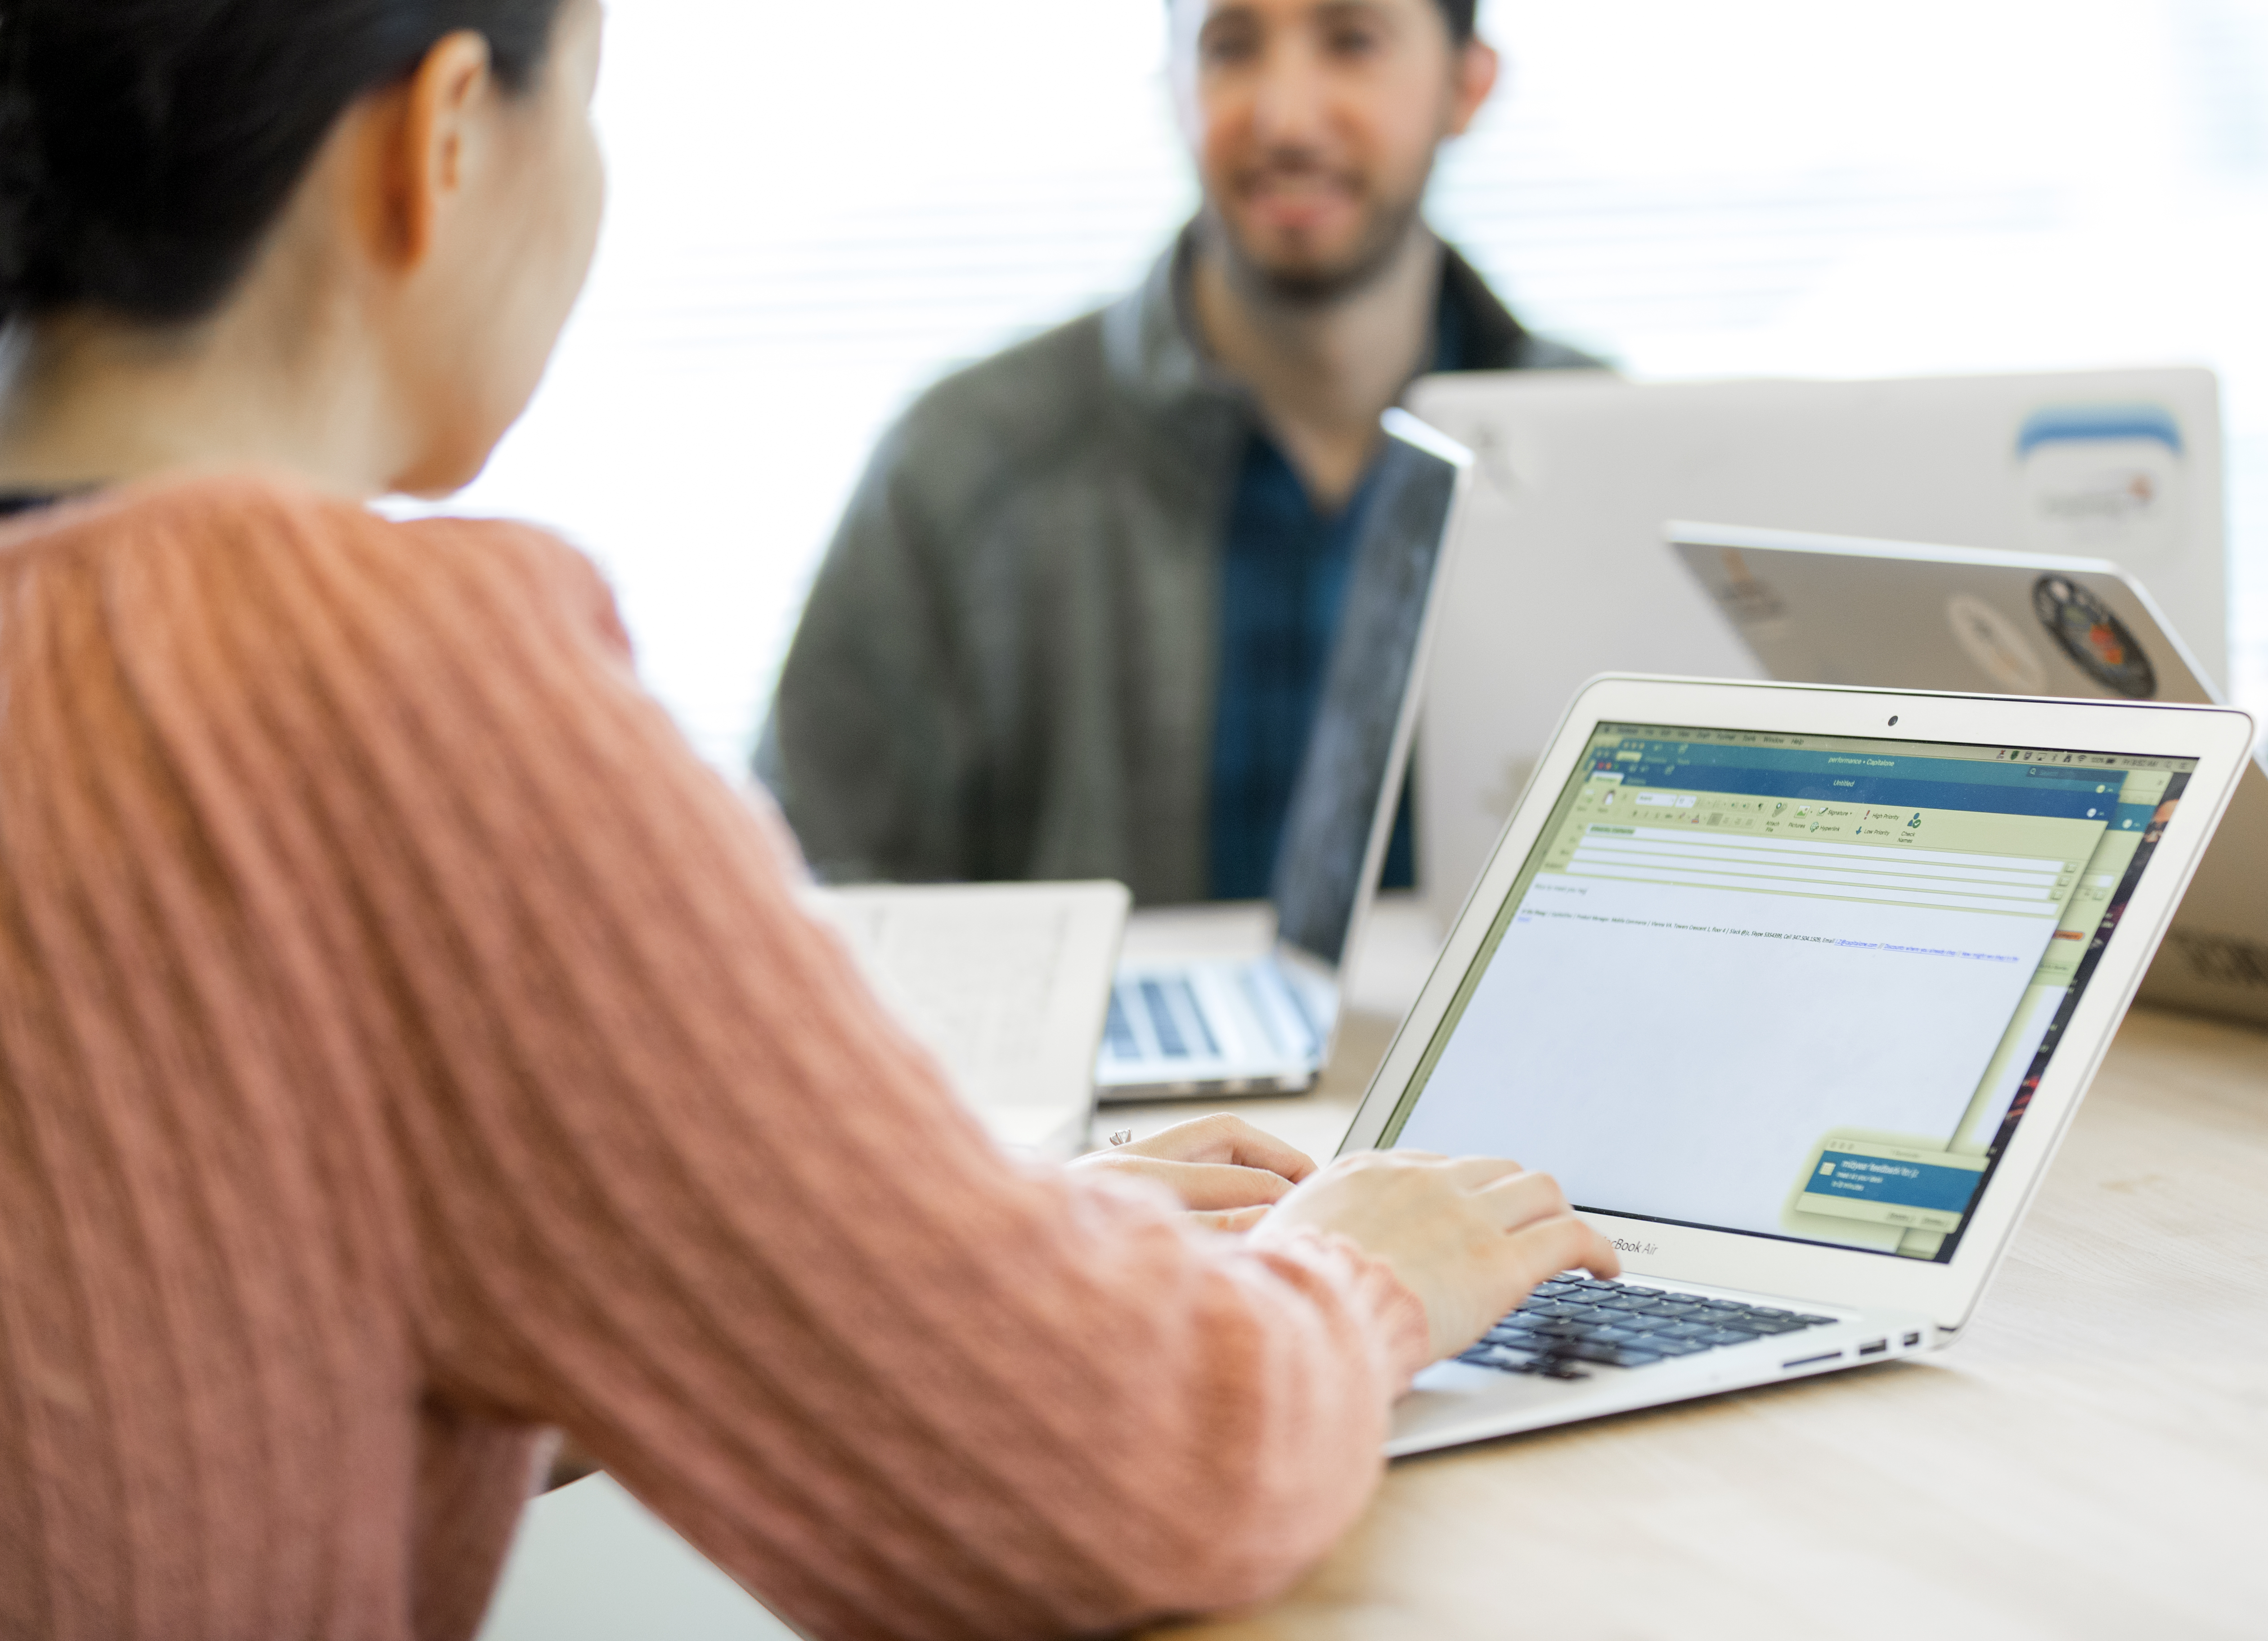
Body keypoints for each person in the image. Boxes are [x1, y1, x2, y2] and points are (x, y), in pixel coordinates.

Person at [0, 4, 1616, 1639]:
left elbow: (206, 1330)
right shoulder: (405, 678)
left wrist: (924, 1256)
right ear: (449, 135)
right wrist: (1366, 1257)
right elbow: (1115, 1472)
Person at [758, 0, 1600, 906]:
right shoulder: (962, 467)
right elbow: (804, 898)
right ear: (1172, 88)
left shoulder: (1604, 467)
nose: (1284, 117)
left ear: (1466, 84)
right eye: (1229, 48)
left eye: (1351, 42)